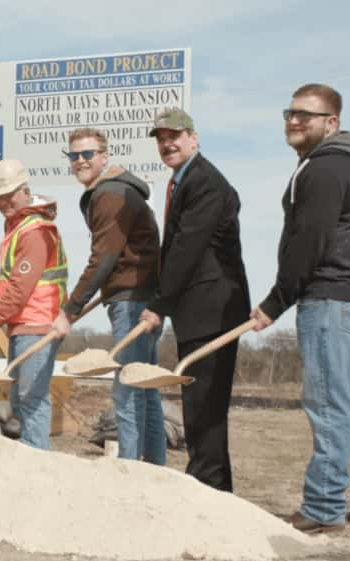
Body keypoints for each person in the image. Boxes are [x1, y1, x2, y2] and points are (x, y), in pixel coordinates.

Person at [250, 84, 350, 532]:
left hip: (331, 301)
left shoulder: (324, 168)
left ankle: (322, 508)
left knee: (330, 407)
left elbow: (308, 243)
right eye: (289, 113)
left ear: (331, 122)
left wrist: (276, 302)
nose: (294, 121)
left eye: (306, 115)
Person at [141, 109, 250, 489]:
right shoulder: (183, 180)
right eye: (160, 138)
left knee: (205, 404)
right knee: (198, 403)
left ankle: (208, 486)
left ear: (194, 137)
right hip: (197, 310)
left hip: (213, 309)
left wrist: (159, 304)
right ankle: (211, 484)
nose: (167, 143)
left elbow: (186, 249)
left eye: (176, 135)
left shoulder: (204, 182)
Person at [51, 128, 165, 465]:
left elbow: (104, 257)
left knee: (128, 389)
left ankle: (130, 472)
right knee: (145, 388)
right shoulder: (115, 191)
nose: (81, 161)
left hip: (132, 301)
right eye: (74, 156)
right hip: (136, 294)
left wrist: (70, 310)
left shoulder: (110, 195)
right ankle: (156, 471)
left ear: (104, 156)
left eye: (88, 154)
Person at [0, 159, 68, 450]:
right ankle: (30, 460)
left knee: (31, 399)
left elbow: (19, 289)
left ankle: (37, 464)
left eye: (10, 195)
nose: (4, 202)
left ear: (25, 191)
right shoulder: (19, 227)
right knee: (21, 399)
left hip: (37, 324)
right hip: (23, 324)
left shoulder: (34, 232)